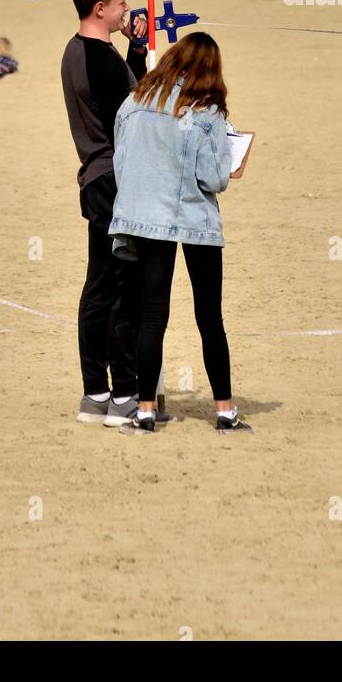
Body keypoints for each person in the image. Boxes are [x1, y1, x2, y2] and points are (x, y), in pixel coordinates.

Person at [111, 32, 250, 434]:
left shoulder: (135, 101)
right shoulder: (208, 113)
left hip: (146, 217)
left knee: (153, 316)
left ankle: (145, 412)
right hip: (194, 218)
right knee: (210, 317)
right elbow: (213, 177)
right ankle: (224, 411)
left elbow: (123, 159)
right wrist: (230, 165)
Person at [61, 0, 148, 427]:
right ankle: (125, 396)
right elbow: (139, 114)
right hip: (115, 177)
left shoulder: (77, 51)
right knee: (121, 290)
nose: (124, 11)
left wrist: (135, 49)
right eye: (120, 5)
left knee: (98, 287)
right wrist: (141, 59)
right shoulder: (101, 59)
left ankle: (95, 393)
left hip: (96, 178)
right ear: (100, 9)